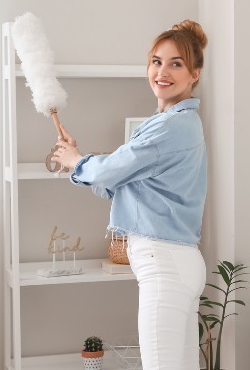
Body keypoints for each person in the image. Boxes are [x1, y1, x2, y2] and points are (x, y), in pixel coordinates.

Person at [52, 20, 209, 370]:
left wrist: (77, 161)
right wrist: (77, 163)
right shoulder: (169, 122)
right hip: (176, 261)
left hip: (164, 263)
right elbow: (119, 182)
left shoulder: (171, 126)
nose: (162, 71)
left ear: (194, 73)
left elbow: (111, 169)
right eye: (156, 61)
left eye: (176, 63)